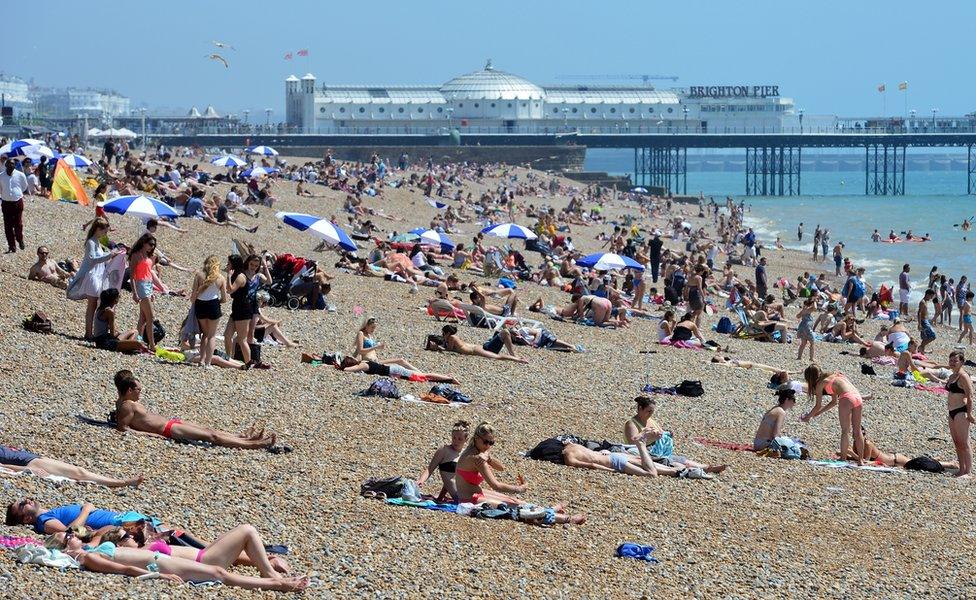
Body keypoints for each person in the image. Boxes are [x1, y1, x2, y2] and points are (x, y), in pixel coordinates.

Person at [45, 530, 308, 592]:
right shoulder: (90, 557)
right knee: (217, 572)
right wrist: (158, 577)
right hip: (156, 565)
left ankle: (272, 578)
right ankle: (276, 585)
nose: (73, 534)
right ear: (66, 546)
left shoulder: (93, 547)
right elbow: (122, 569)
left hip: (158, 559)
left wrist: (81, 534)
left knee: (217, 570)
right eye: (68, 536)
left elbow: (97, 533)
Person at [455, 423, 585, 525]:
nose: (488, 446)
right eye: (486, 442)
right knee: (518, 509)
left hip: (474, 493)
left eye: (491, 443)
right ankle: (567, 519)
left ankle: (550, 509)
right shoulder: (477, 458)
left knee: (515, 501)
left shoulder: (475, 450)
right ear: (477, 438)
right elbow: (496, 485)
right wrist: (519, 489)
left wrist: (489, 458)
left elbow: (501, 468)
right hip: (470, 499)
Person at [113, 370, 276, 450]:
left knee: (209, 430)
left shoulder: (123, 402)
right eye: (138, 390)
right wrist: (151, 435)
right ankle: (255, 444)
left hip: (172, 423)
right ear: (129, 390)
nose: (141, 392)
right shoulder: (127, 405)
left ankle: (243, 438)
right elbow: (123, 428)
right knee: (211, 436)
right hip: (168, 429)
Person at [623, 396, 725, 476]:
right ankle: (697, 470)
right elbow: (633, 441)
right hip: (642, 452)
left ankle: (707, 468)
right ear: (640, 408)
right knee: (673, 462)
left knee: (683, 460)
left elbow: (661, 433)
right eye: (648, 411)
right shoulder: (631, 423)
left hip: (657, 450)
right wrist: (652, 438)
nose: (650, 414)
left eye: (652, 411)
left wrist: (667, 434)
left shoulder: (650, 421)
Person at [67, 218, 123, 339]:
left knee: (95, 303)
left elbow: (100, 257)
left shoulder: (96, 241)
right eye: (104, 232)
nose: (105, 234)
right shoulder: (91, 242)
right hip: (92, 275)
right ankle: (88, 333)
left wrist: (112, 254)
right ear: (98, 229)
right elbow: (93, 259)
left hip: (97, 275)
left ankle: (92, 332)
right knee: (92, 304)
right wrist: (110, 254)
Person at [801, 365, 866, 465]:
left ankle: (843, 458)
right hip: (858, 397)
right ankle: (860, 460)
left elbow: (817, 405)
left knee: (845, 431)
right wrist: (819, 413)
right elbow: (833, 402)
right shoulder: (835, 375)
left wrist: (808, 417)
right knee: (857, 431)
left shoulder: (820, 384)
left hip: (847, 398)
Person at [0, 446, 143, 488]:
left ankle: (121, 482)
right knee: (78, 472)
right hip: (29, 462)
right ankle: (122, 482)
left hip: (29, 456)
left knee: (78, 471)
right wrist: (27, 470)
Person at [416, 421, 470, 502]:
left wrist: (440, 497)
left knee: (493, 496)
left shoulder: (464, 453)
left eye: (460, 439)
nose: (456, 441)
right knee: (489, 503)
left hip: (467, 489)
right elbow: (430, 469)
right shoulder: (444, 451)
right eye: (454, 438)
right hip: (460, 496)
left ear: (466, 439)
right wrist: (421, 480)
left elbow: (450, 477)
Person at [190, 255, 226, 368]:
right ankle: (208, 363)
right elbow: (224, 299)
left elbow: (193, 296)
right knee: (212, 335)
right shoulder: (220, 278)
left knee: (204, 334)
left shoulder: (199, 275)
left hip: (200, 305)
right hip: (213, 305)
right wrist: (217, 302)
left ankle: (201, 360)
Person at [128, 233, 160, 352]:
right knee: (150, 317)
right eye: (150, 244)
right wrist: (134, 293)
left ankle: (138, 341)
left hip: (147, 285)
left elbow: (149, 275)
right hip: (140, 285)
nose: (152, 247)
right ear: (143, 242)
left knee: (143, 318)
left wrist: (152, 291)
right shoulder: (136, 256)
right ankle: (151, 344)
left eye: (154, 245)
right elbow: (132, 276)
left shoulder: (148, 256)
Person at [332, 355, 460, 384]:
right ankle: (446, 377)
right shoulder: (364, 361)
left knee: (423, 376)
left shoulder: (363, 366)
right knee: (422, 377)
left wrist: (342, 369)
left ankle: (449, 378)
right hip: (393, 370)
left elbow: (352, 370)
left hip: (395, 371)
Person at [93, 288, 148, 353]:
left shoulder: (100, 309)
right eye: (118, 297)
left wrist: (119, 334)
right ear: (115, 299)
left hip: (99, 340)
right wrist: (119, 333)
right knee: (138, 343)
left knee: (135, 331)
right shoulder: (110, 312)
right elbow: (112, 335)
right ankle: (128, 348)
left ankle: (127, 348)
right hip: (105, 342)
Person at [946, 351, 973, 477]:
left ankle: (968, 471)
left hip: (961, 411)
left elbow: (970, 396)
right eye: (951, 360)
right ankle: (961, 469)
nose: (952, 363)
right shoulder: (952, 376)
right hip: (951, 411)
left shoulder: (963, 376)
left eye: (955, 361)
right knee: (956, 442)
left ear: (962, 362)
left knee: (964, 442)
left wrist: (970, 413)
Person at [439, 324, 528, 363]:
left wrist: (438, 348)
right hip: (482, 347)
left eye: (443, 334)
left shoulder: (452, 338)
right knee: (500, 335)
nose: (442, 335)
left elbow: (448, 350)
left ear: (447, 333)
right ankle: (515, 356)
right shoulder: (454, 337)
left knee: (497, 357)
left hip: (477, 350)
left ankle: (517, 358)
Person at [0, 158, 29, 253]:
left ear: (15, 165)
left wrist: (17, 193)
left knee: (18, 224)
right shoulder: (1, 176)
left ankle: (20, 239)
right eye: (9, 164)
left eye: (12, 164)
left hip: (17, 202)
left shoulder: (20, 175)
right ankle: (12, 246)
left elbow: (24, 186)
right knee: (8, 226)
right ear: (5, 165)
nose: (11, 166)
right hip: (6, 203)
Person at [917, 288, 938, 354]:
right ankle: (921, 347)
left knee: (925, 337)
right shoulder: (922, 302)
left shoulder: (925, 301)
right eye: (931, 296)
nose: (931, 298)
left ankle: (922, 350)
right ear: (927, 294)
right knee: (933, 336)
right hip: (923, 321)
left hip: (926, 320)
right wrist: (919, 324)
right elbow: (919, 313)